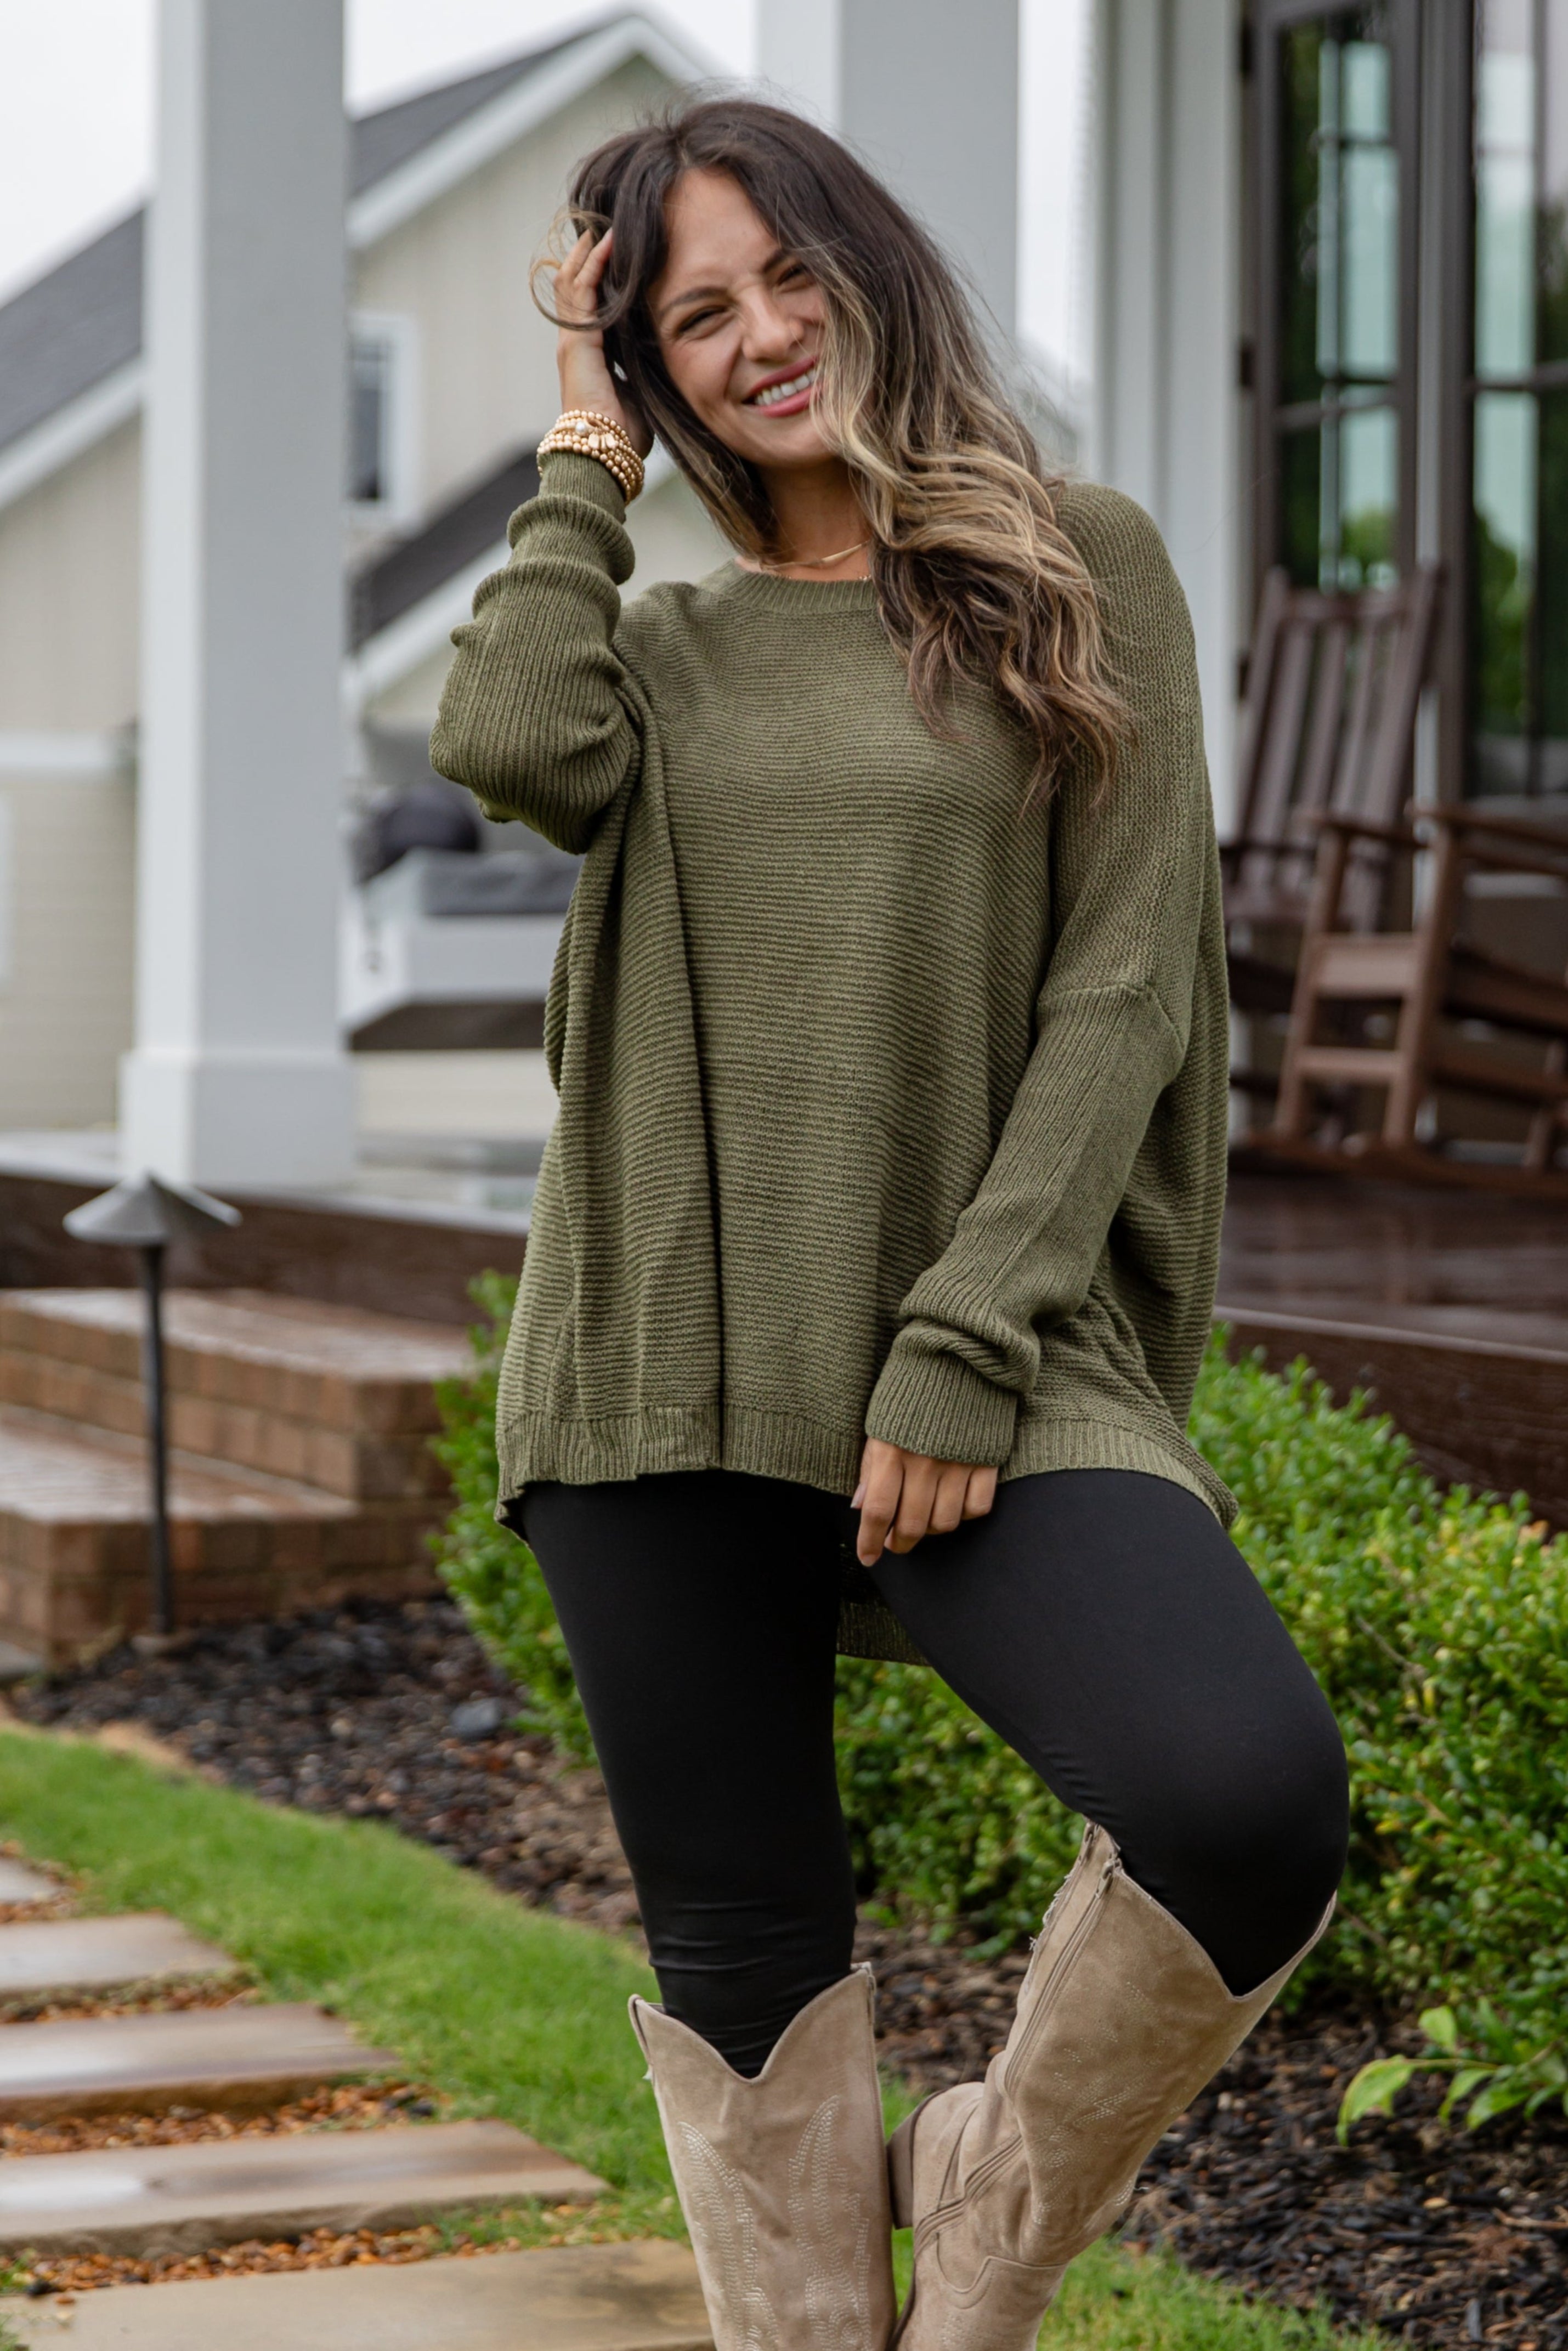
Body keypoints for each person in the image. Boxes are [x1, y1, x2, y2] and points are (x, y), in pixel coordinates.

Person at [430, 96, 1348, 2351]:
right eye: (689, 320)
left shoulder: (1071, 563)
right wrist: (575, 440)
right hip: (657, 1371)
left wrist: (961, 1344)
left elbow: (1125, 989)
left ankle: (993, 2211)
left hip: (981, 1361)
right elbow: (506, 741)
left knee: (1240, 1798)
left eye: (785, 277)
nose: (759, 340)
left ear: (871, 265)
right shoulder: (654, 643)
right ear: (649, 370)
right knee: (747, 1957)